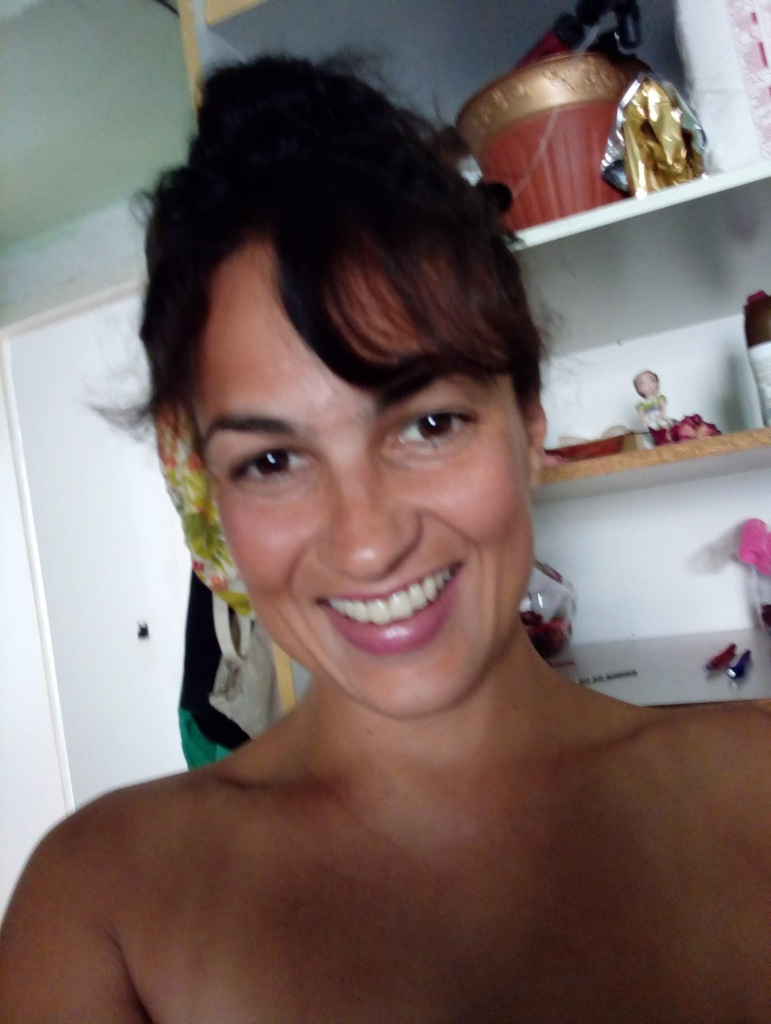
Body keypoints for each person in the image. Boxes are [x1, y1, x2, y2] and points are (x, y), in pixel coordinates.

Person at [1, 55, 770, 1023]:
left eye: (428, 423)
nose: (367, 544)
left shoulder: (752, 793)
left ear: (528, 423)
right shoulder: (101, 907)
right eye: (272, 461)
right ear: (214, 494)